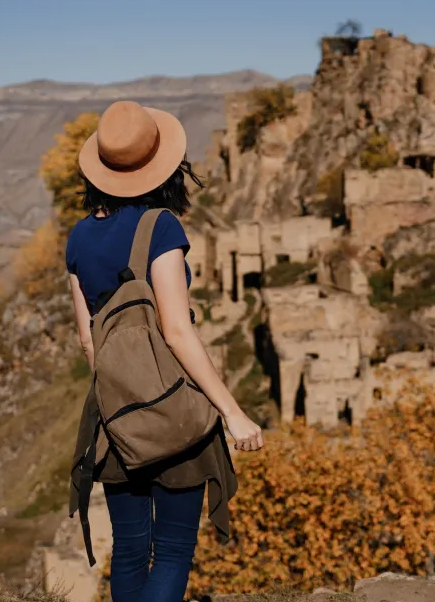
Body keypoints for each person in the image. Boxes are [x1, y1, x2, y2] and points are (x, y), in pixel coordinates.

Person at [64, 100, 263, 602]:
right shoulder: (160, 228)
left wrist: (124, 394)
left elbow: (89, 340)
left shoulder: (78, 237)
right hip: (172, 410)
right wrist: (233, 413)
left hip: (114, 415)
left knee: (130, 549)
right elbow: (176, 330)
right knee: (172, 551)